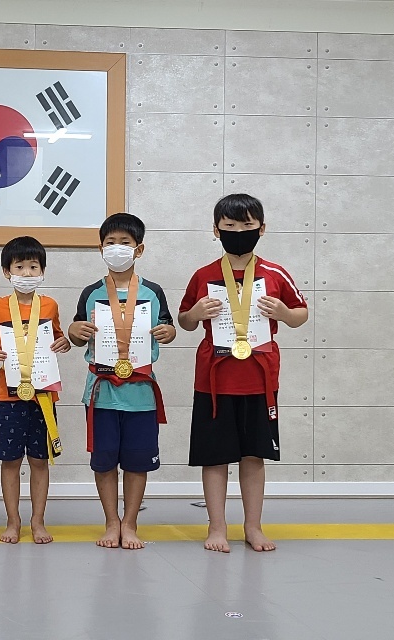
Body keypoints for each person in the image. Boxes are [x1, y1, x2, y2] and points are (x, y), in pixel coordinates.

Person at [177, 194, 309, 553]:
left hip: (259, 379)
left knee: (254, 455)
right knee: (214, 456)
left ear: (261, 229)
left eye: (247, 225)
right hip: (213, 380)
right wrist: (196, 314)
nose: (238, 232)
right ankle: (217, 527)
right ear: (216, 230)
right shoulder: (203, 275)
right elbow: (184, 320)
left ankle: (253, 526)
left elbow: (301, 314)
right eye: (230, 226)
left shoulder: (275, 273)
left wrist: (283, 313)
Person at [66, 213, 176, 550]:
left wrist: (168, 332)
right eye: (110, 243)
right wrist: (75, 330)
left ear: (138, 249)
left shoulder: (153, 292)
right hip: (101, 392)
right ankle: (111, 521)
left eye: (124, 243)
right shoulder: (91, 292)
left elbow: (169, 327)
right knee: (104, 461)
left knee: (137, 461)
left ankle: (130, 523)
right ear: (101, 248)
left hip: (140, 391)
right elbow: (75, 333)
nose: (117, 248)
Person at [0, 236, 71, 544]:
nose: (27, 273)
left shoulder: (50, 305)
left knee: (40, 460)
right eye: (19, 267)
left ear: (42, 271)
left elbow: (58, 337)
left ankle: (38, 521)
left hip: (43, 396)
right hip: (9, 397)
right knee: (11, 460)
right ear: (7, 272)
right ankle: (13, 521)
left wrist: (64, 343)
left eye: (33, 267)